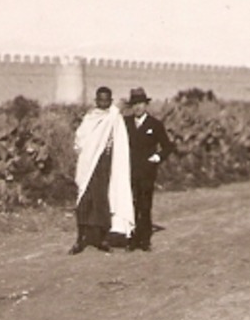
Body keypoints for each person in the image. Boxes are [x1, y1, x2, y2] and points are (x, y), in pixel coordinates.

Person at [71, 86, 134, 254]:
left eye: (106, 100)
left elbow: (120, 142)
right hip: (88, 165)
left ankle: (103, 239)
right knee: (84, 200)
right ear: (96, 101)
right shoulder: (90, 118)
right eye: (100, 100)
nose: (103, 103)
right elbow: (79, 140)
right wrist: (87, 151)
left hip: (106, 165)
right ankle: (80, 239)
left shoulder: (115, 118)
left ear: (110, 101)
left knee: (103, 200)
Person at [123, 88, 175, 252]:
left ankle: (144, 240)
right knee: (130, 205)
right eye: (134, 104)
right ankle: (131, 239)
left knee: (145, 205)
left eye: (140, 103)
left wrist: (157, 157)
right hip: (128, 171)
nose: (137, 107)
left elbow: (167, 146)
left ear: (146, 105)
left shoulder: (155, 124)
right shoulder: (126, 123)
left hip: (147, 172)